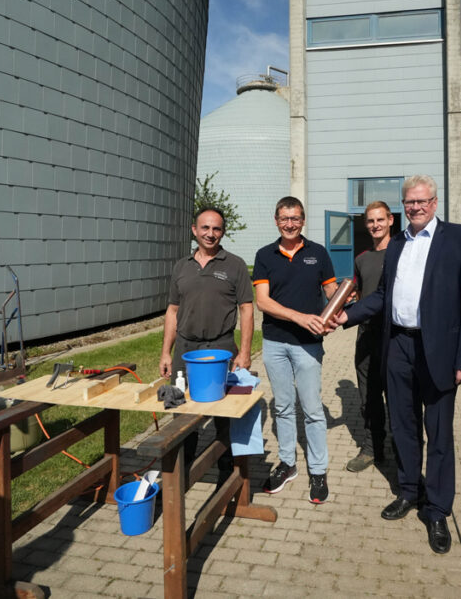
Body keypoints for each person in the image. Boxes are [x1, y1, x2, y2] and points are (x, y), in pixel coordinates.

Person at [330, 175, 461, 554]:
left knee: (439, 432)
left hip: (440, 351)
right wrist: (346, 316)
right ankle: (409, 491)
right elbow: (382, 295)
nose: (415, 207)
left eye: (421, 201)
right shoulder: (396, 244)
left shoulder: (460, 239)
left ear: (434, 202)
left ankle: (436, 509)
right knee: (403, 425)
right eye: (409, 203)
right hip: (397, 344)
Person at [252, 197, 339, 504]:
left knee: (313, 410)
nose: (290, 223)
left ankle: (318, 470)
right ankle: (288, 464)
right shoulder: (265, 255)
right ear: (276, 220)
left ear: (303, 220)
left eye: (296, 218)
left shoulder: (318, 253)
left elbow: (332, 292)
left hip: (308, 345)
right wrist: (299, 317)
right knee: (283, 408)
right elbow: (262, 301)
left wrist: (338, 312)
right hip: (275, 343)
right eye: (284, 218)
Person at [159, 207, 253, 470]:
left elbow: (247, 309)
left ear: (223, 232)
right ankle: (183, 463)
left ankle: (227, 464)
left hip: (220, 347)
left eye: (217, 229)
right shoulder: (181, 266)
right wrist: (166, 351)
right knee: (181, 407)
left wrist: (245, 352)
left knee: (224, 410)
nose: (210, 234)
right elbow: (172, 311)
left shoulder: (235, 265)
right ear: (194, 230)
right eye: (205, 228)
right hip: (185, 349)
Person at [345, 201, 394, 472]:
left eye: (380, 220)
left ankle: (402, 447)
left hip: (394, 338)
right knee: (369, 398)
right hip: (366, 337)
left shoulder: (401, 253)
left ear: (390, 221)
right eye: (370, 221)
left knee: (398, 397)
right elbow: (362, 297)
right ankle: (371, 448)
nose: (375, 225)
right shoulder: (361, 258)